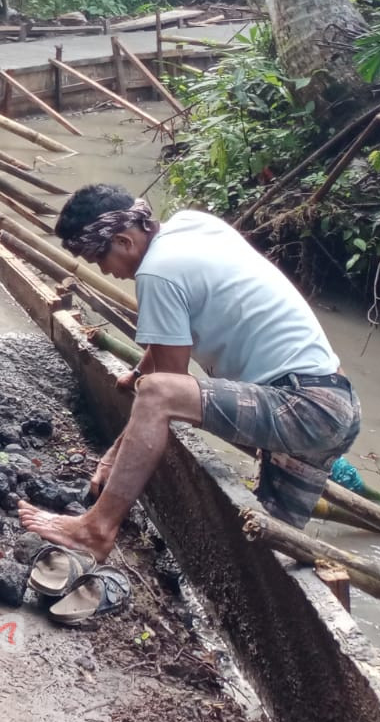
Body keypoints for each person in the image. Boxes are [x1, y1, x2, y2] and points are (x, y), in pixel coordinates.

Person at [18, 185, 362, 561]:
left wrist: (114, 454)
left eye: (99, 258)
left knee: (157, 393)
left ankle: (95, 530)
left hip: (301, 407)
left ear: (124, 241)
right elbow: (170, 344)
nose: (104, 270)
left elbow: (167, 391)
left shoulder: (156, 273)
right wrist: (138, 371)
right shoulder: (192, 224)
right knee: (270, 546)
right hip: (337, 403)